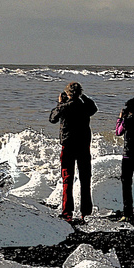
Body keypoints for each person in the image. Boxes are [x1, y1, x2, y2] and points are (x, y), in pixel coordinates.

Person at [49, 81, 97, 221]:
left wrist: (60, 103)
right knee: (85, 179)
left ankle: (67, 212)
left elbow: (52, 119)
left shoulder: (64, 107)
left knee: (67, 179)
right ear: (80, 93)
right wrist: (84, 97)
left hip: (68, 145)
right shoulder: (85, 106)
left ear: (68, 94)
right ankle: (86, 212)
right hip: (83, 145)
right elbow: (94, 108)